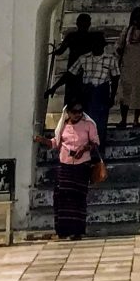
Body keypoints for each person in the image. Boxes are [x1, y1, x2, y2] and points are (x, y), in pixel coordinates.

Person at [49, 99, 101, 241]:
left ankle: (77, 230)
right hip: (65, 164)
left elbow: (95, 142)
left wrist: (84, 148)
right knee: (62, 197)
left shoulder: (88, 125)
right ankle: (62, 230)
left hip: (82, 165)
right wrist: (41, 140)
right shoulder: (63, 126)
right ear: (68, 112)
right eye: (74, 112)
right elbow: (56, 142)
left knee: (78, 198)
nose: (77, 114)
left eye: (80, 111)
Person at [70, 30, 119, 140]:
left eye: (99, 43)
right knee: (86, 120)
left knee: (100, 121)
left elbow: (115, 79)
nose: (96, 45)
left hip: (102, 91)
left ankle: (98, 146)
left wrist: (112, 96)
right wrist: (54, 88)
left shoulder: (111, 59)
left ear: (103, 45)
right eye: (94, 43)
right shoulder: (83, 58)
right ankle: (85, 145)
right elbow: (71, 73)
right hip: (86, 91)